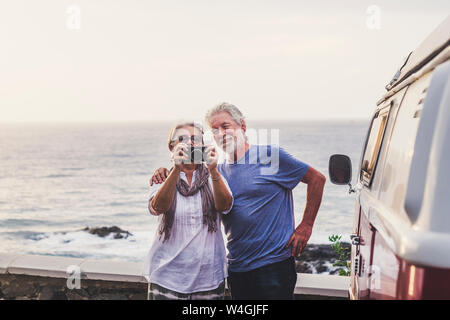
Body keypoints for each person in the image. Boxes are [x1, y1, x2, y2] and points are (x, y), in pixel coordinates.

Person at [150, 103, 326, 300]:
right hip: (237, 266)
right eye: (214, 130)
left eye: (226, 126)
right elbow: (189, 175)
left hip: (272, 264)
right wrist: (165, 170)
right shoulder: (218, 171)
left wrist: (306, 226)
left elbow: (317, 179)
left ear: (242, 126)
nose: (221, 134)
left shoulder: (269, 157)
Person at [142, 121, 233, 300]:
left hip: (209, 276)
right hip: (167, 275)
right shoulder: (164, 178)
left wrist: (213, 171)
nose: (190, 143)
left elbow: (225, 206)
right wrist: (177, 169)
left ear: (203, 145)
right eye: (182, 138)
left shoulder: (215, 177)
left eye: (195, 139)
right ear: (172, 146)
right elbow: (157, 207)